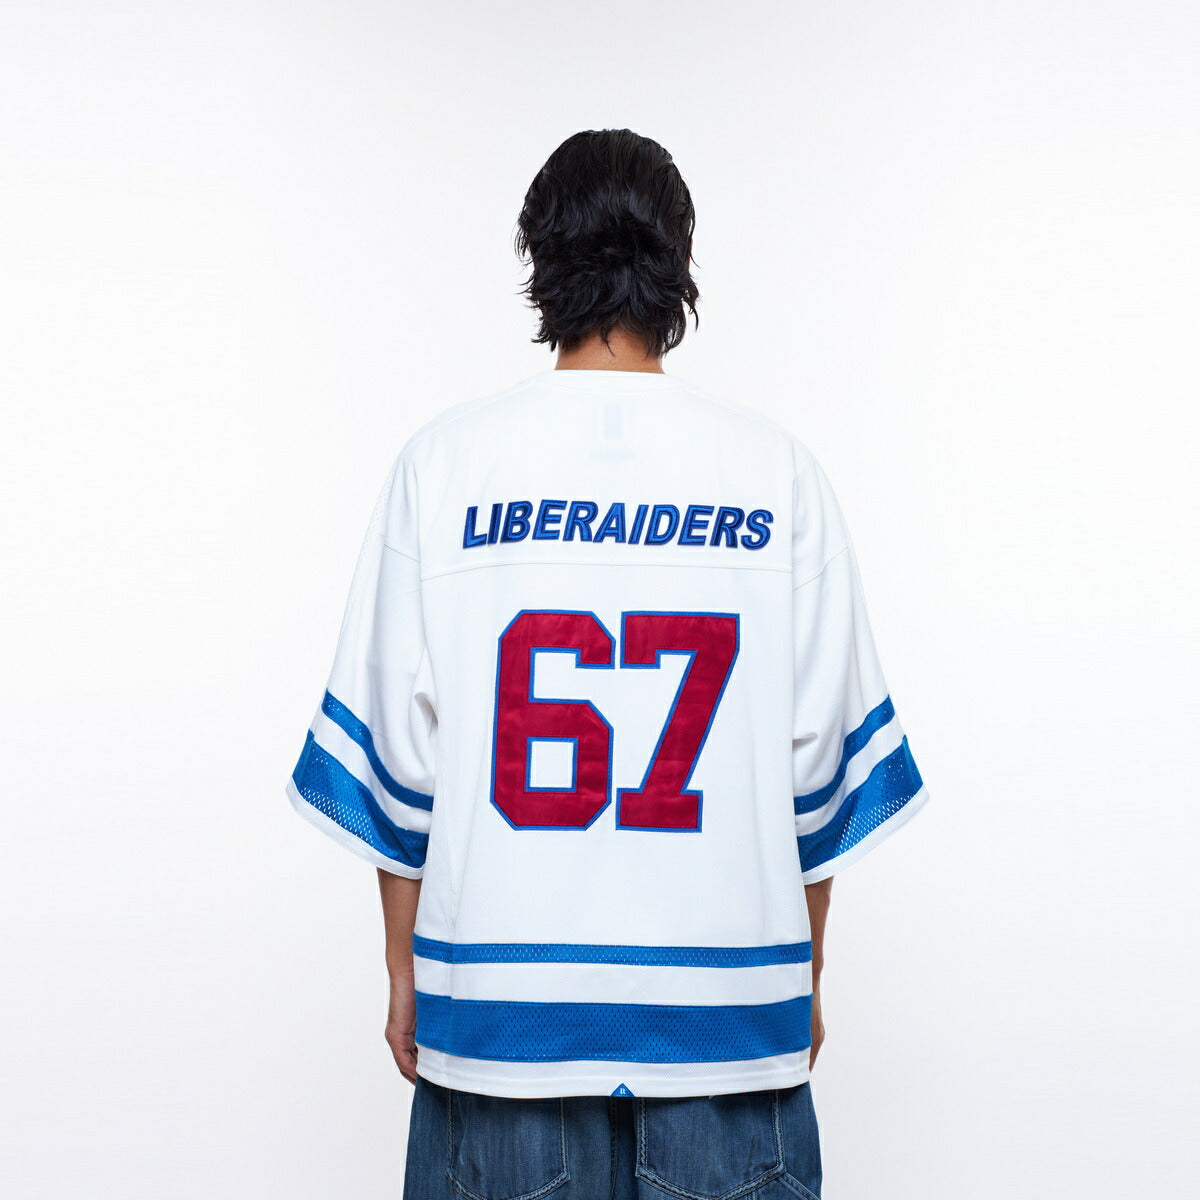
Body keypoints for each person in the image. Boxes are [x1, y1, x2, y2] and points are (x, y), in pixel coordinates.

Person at [285, 128, 929, 1200]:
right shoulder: (778, 473)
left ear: (540, 260)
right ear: (679, 263)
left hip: (498, 1033)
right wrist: (804, 975)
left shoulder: (444, 466)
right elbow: (825, 773)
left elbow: (394, 768)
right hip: (728, 1038)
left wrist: (404, 971)